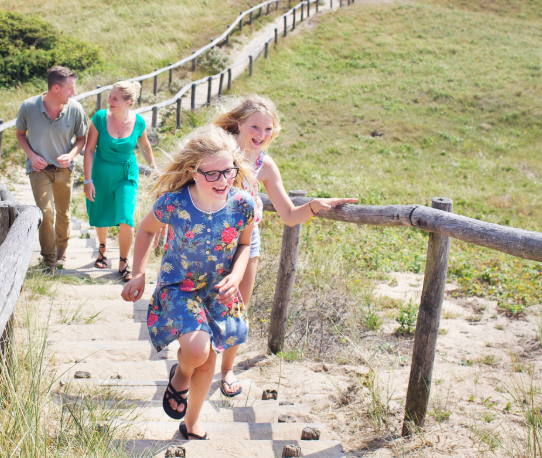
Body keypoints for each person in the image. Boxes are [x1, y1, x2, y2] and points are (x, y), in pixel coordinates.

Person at [210, 95, 357, 397]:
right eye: (255, 126)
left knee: (237, 310)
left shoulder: (265, 165)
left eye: (268, 129)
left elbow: (289, 215)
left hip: (246, 243)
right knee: (204, 308)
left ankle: (226, 371)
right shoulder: (217, 153)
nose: (261, 135)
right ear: (239, 124)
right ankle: (193, 365)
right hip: (209, 242)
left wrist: (314, 205)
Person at [121, 125, 256, 441]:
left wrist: (237, 276)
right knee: (197, 350)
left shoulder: (243, 204)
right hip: (179, 286)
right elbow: (145, 230)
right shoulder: (175, 203)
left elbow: (245, 245)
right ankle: (180, 372)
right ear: (192, 171)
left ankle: (192, 422)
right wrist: (139, 272)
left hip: (219, 290)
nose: (223, 181)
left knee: (208, 360)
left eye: (229, 171)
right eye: (213, 174)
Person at [15, 66, 89, 270]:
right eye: (70, 88)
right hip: (38, 170)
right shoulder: (28, 107)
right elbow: (20, 134)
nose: (73, 93)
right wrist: (31, 155)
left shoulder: (75, 109)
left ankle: (60, 253)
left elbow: (81, 139)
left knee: (63, 214)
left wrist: (72, 154)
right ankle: (48, 261)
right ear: (56, 88)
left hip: (64, 171)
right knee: (46, 214)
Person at [83, 81, 157, 281]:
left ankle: (124, 261)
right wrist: (87, 180)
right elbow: (89, 150)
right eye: (110, 96)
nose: (110, 101)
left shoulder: (138, 122)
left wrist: (155, 169)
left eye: (115, 98)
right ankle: (103, 248)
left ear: (129, 102)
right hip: (100, 173)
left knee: (126, 217)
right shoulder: (99, 118)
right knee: (101, 210)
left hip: (126, 174)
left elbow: (145, 147)